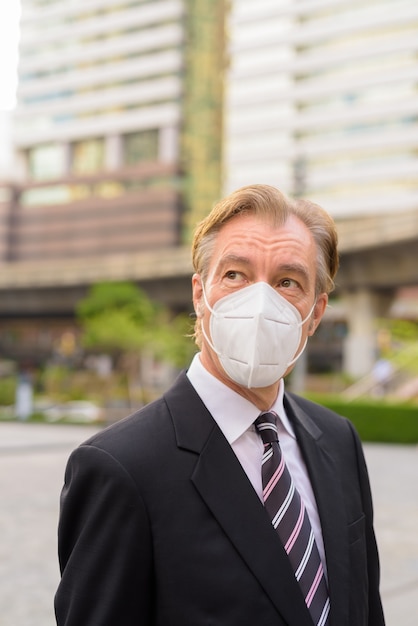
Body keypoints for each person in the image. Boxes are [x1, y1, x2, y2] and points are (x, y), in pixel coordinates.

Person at [55, 184, 385, 626]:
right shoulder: (120, 469)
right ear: (199, 294)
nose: (260, 302)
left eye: (288, 282)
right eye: (235, 275)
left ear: (316, 312)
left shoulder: (338, 440)